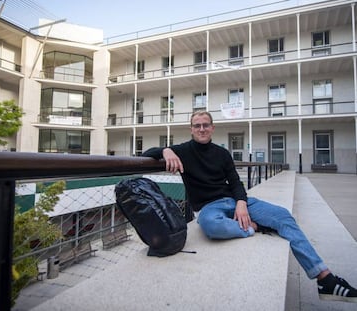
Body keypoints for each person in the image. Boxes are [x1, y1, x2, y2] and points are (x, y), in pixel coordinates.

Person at [142, 110, 357, 303]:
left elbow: (235, 182)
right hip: (210, 207)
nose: (201, 129)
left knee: (283, 215)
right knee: (209, 225)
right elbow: (146, 154)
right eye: (197, 125)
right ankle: (256, 227)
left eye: (205, 125)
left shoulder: (222, 153)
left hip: (235, 200)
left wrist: (242, 203)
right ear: (191, 129)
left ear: (212, 128)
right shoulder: (183, 151)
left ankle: (324, 278)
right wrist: (166, 151)